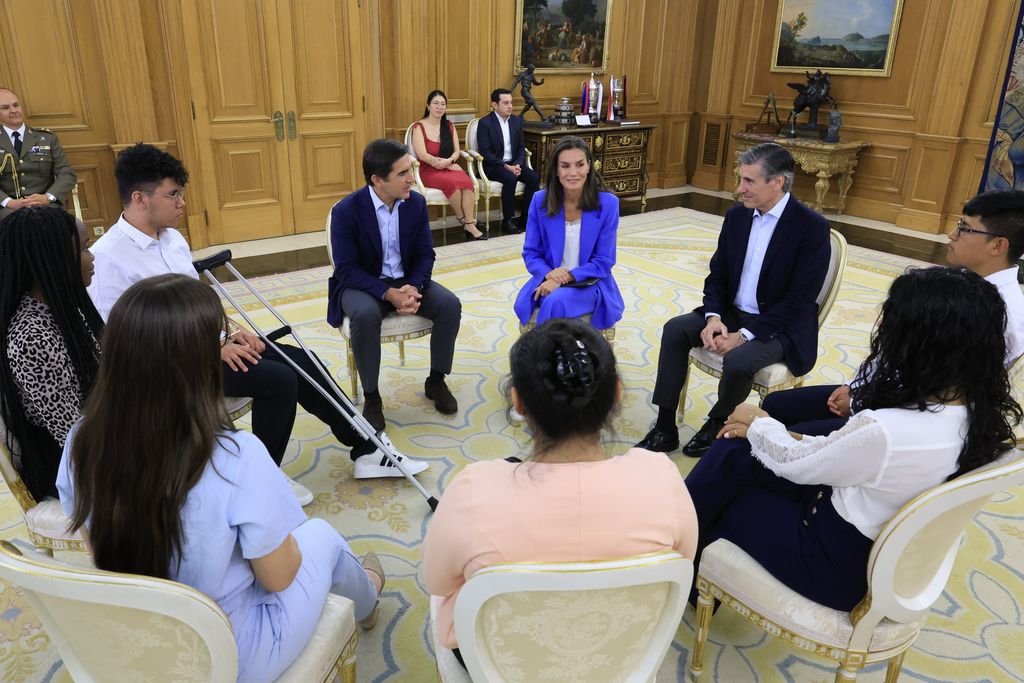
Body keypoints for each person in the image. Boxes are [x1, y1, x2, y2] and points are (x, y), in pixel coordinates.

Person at [57, 274, 386, 683]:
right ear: (199, 362)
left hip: (141, 637)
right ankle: (369, 597)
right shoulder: (235, 455)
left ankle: (364, 592)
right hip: (232, 654)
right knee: (321, 536)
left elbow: (97, 550)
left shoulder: (79, 442)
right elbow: (278, 577)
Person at [87, 144, 426, 491]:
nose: (182, 203)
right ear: (140, 198)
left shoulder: (172, 239)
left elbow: (196, 303)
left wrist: (230, 331)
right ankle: (261, 479)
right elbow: (124, 341)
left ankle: (367, 449)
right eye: (173, 194)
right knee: (278, 381)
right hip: (167, 366)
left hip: (209, 346)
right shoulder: (108, 258)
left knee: (301, 360)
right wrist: (208, 350)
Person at [685, 267, 1022, 611]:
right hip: (870, 540)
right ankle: (689, 568)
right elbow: (846, 456)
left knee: (726, 485)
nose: (879, 328)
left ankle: (679, 559)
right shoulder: (973, 409)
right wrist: (768, 430)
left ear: (921, 343)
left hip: (831, 560)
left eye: (890, 321)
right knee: (737, 453)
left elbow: (798, 465)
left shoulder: (889, 429)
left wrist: (757, 421)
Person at [422, 318, 698, 659]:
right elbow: (681, 564)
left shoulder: (473, 491)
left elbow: (436, 582)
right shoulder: (662, 480)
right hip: (618, 657)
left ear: (518, 402)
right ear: (617, 394)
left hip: (501, 662)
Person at [763, 189, 1024, 436]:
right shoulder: (962, 281)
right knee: (776, 406)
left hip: (910, 420)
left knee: (780, 438)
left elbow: (941, 392)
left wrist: (859, 403)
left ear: (998, 245)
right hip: (880, 393)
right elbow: (892, 355)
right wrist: (855, 388)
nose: (952, 234)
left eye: (964, 228)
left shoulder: (1000, 315)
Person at [636, 142, 830, 457]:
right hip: (731, 313)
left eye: (748, 181)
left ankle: (717, 423)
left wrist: (744, 337)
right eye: (740, 179)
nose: (739, 189)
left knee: (739, 360)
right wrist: (714, 317)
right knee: (675, 329)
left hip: (781, 326)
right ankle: (665, 427)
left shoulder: (811, 228)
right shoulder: (737, 217)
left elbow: (800, 300)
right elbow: (718, 275)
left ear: (777, 182)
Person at [328, 139, 463, 431]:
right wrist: (388, 294)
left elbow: (426, 253)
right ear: (378, 180)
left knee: (450, 305)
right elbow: (346, 269)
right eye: (403, 173)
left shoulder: (414, 203)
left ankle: (436, 380)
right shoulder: (347, 211)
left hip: (406, 281)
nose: (411, 179)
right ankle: (372, 397)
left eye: (410, 170)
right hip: (363, 284)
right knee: (364, 315)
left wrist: (414, 286)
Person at [0, 207, 101, 501]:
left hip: (96, 441)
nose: (92, 257)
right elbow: (72, 436)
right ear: (53, 260)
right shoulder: (31, 336)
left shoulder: (60, 310)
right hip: (72, 468)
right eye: (83, 249)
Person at [513, 136, 623, 330]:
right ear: (556, 170)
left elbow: (604, 261)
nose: (573, 172)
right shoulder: (540, 201)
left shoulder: (608, 204)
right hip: (549, 277)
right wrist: (549, 274)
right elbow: (531, 252)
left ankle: (542, 357)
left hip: (589, 283)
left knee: (555, 302)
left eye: (579, 165)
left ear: (589, 166)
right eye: (565, 166)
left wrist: (565, 277)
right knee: (550, 300)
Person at [410, 90, 485, 240]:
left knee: (466, 182)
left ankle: (468, 222)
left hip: (447, 165)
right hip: (427, 169)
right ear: (428, 106)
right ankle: (466, 221)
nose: (439, 107)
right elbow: (422, 155)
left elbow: (457, 151)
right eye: (436, 103)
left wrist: (449, 162)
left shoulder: (449, 126)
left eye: (443, 104)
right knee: (453, 184)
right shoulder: (418, 127)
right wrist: (444, 165)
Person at [0, 88, 77, 220]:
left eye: (16, 105)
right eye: (5, 108)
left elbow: (66, 173)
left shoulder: (47, 138)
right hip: (9, 210)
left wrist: (48, 197)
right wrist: (9, 202)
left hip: (47, 205)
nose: (13, 111)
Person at [476, 88, 540, 234]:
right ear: (494, 105)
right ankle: (508, 220)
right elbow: (485, 153)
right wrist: (506, 166)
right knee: (510, 178)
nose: (510, 106)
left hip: (514, 163)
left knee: (533, 178)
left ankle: (526, 218)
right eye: (505, 103)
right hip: (493, 166)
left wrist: (517, 164)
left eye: (511, 102)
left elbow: (521, 147)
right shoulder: (485, 123)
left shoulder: (516, 121)